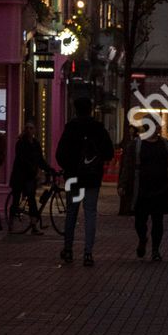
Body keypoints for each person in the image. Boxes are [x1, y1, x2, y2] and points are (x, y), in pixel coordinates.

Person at [55, 94, 115, 266]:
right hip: (92, 178)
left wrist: (69, 167)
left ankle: (68, 250)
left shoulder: (71, 128)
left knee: (71, 213)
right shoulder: (98, 128)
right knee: (90, 213)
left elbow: (60, 154)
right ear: (90, 109)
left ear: (75, 109)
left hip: (73, 178)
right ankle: (88, 253)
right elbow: (109, 152)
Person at [118, 126, 168, 260]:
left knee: (158, 220)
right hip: (141, 189)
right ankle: (143, 238)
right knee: (140, 220)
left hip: (160, 188)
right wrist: (123, 184)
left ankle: (155, 250)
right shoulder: (136, 145)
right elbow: (127, 166)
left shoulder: (164, 144)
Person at [8, 119, 51, 230]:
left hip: (29, 177)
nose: (28, 130)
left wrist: (49, 169)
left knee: (32, 200)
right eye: (27, 127)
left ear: (35, 130)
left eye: (31, 128)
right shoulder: (20, 143)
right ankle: (11, 222)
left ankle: (34, 225)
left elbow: (40, 160)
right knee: (16, 200)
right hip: (19, 176)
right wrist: (32, 168)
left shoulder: (36, 144)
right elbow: (22, 159)